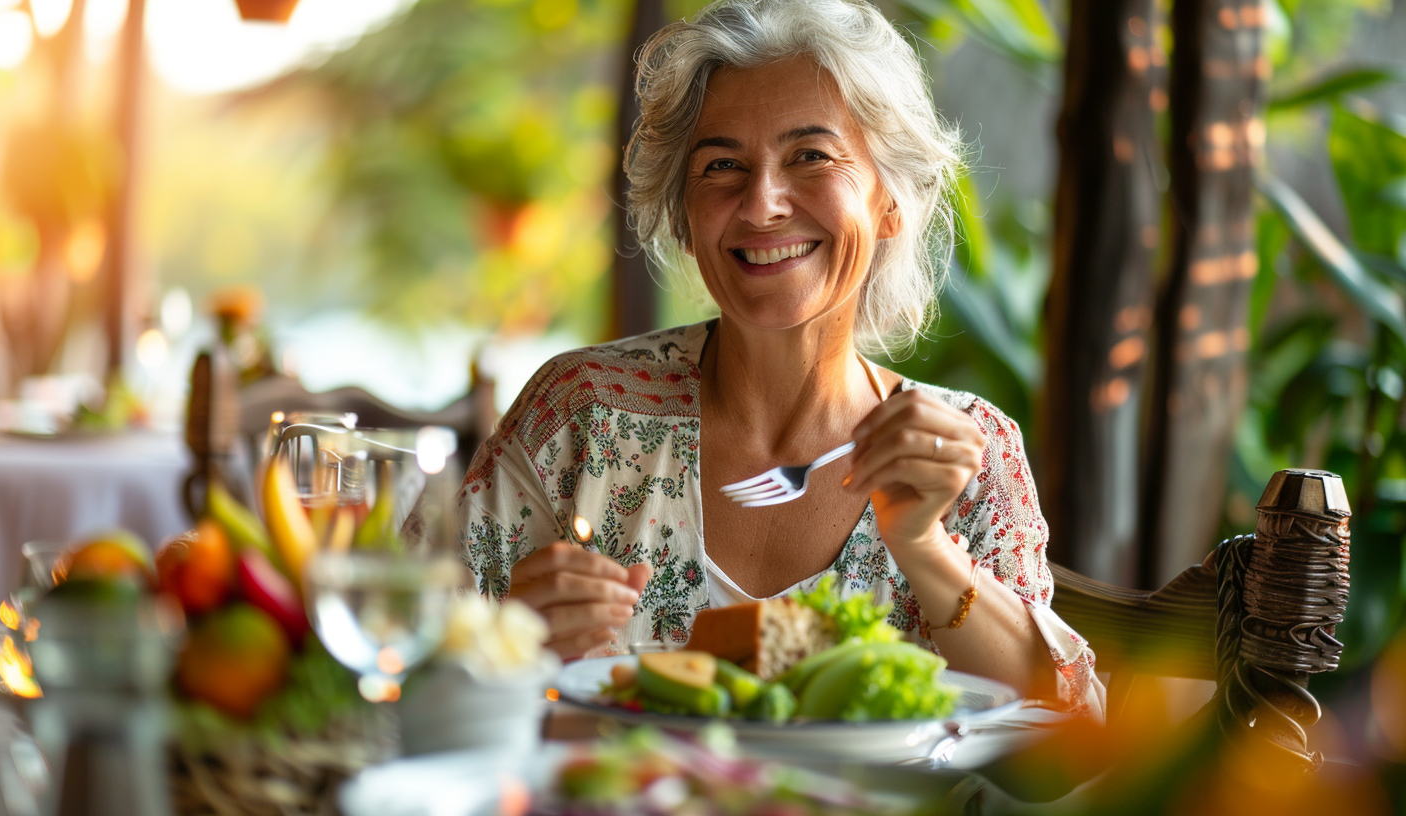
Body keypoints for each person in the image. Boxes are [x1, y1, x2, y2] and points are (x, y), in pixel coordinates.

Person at [458, 0, 1103, 716]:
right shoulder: (582, 414)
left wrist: (925, 546)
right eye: (722, 164)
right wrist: (503, 643)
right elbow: (388, 665)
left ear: (890, 199)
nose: (762, 204)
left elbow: (1065, 738)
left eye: (811, 156)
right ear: (682, 213)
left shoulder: (966, 452)